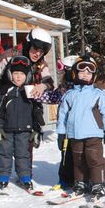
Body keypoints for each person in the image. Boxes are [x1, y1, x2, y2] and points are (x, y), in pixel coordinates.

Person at [0, 28, 54, 182]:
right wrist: (4, 97)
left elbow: (49, 81)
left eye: (42, 51)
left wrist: (42, 86)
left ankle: (24, 172)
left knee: (26, 135)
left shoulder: (40, 63)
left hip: (24, 103)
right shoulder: (10, 55)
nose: (37, 53)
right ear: (28, 43)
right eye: (35, 48)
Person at [56, 54, 105, 201]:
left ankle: (98, 183)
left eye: (89, 72)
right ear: (74, 73)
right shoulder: (69, 95)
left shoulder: (98, 94)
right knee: (78, 160)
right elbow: (62, 116)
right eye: (82, 71)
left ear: (94, 76)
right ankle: (81, 182)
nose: (85, 74)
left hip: (94, 134)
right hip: (75, 134)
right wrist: (61, 134)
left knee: (94, 159)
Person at [0, 55, 45, 193]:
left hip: (25, 130)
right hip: (6, 130)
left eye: (22, 73)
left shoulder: (31, 91)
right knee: (5, 154)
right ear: (10, 74)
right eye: (16, 73)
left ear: (27, 75)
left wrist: (36, 129)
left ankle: (25, 177)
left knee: (23, 155)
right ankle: (4, 177)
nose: (19, 76)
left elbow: (37, 112)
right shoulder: (5, 91)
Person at [40, 54, 78, 191]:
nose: (62, 75)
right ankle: (66, 180)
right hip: (64, 127)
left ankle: (82, 180)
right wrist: (36, 94)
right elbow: (53, 97)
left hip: (80, 128)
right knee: (65, 153)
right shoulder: (63, 87)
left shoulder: (82, 88)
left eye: (64, 72)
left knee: (80, 154)